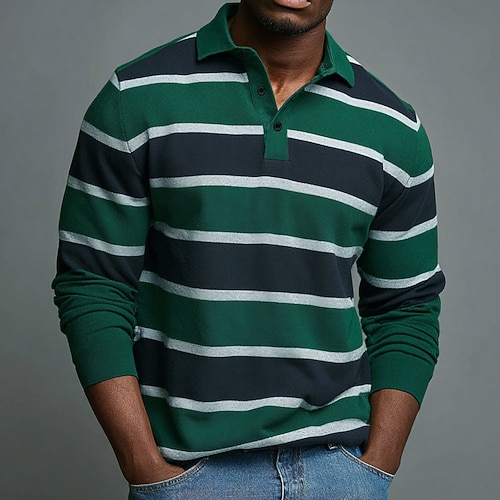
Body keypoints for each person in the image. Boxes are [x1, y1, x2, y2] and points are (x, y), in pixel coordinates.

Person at [53, 1, 445, 498]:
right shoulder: (136, 99)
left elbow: (406, 306)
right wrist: (143, 464)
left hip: (338, 476)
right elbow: (94, 285)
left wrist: (375, 467)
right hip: (189, 477)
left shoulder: (393, 128)